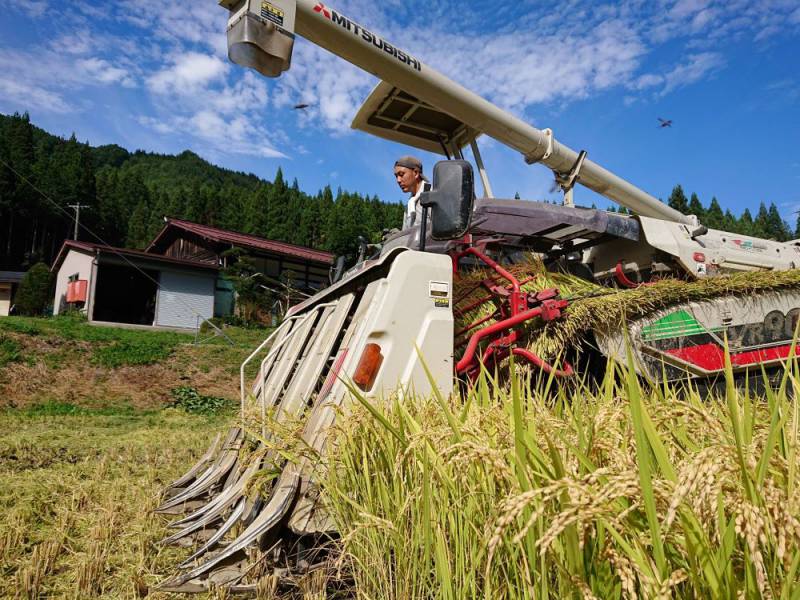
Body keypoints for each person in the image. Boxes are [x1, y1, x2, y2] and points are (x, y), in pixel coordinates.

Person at [394, 156, 431, 229]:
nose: (398, 180)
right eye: (396, 176)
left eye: (401, 174)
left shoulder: (432, 196)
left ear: (416, 173)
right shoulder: (409, 205)